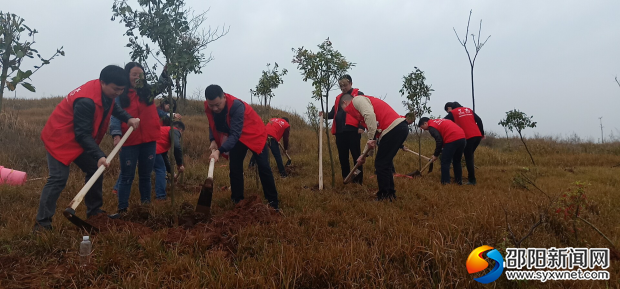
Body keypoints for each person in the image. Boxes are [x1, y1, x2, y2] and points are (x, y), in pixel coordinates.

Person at [34, 65, 140, 231]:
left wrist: (128, 118)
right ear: (103, 82)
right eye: (116, 89)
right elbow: (82, 134)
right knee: (58, 179)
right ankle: (42, 224)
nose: (118, 93)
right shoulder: (86, 101)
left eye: (121, 90)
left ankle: (95, 212)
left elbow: (114, 107)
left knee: (94, 169)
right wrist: (99, 155)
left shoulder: (106, 93)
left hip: (77, 139)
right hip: (59, 139)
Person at [204, 84, 279, 210]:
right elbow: (212, 122)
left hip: (254, 133)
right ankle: (237, 201)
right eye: (212, 105)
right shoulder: (209, 106)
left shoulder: (236, 106)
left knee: (264, 167)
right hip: (237, 137)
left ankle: (273, 202)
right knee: (235, 167)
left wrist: (219, 151)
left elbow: (234, 134)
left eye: (218, 104)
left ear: (224, 97)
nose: (215, 108)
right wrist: (212, 140)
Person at [109, 62, 162, 213]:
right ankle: (122, 209)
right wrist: (116, 135)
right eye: (134, 74)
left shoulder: (148, 91)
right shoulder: (121, 93)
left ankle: (145, 207)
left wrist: (165, 73)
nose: (138, 77)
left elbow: (162, 85)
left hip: (149, 140)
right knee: (127, 175)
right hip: (129, 140)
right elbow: (115, 115)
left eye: (141, 75)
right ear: (128, 76)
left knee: (146, 175)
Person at [340, 94, 409, 201]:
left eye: (344, 109)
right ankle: (390, 194)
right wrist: (364, 155)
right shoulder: (361, 110)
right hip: (397, 129)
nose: (346, 112)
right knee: (385, 163)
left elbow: (370, 116)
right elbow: (373, 132)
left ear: (345, 102)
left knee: (381, 164)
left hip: (393, 128)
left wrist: (371, 138)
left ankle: (384, 195)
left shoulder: (357, 100)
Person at [321, 75, 365, 184]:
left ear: (350, 83)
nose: (343, 88)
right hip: (340, 132)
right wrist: (323, 114)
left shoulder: (358, 95)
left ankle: (358, 180)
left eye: (344, 85)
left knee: (356, 156)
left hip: (353, 131)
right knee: (343, 157)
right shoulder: (338, 98)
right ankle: (346, 178)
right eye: (341, 86)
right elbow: (332, 114)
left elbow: (364, 111)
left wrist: (362, 126)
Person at [444, 102, 484, 185]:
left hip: (468, 137)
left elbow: (443, 122)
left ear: (451, 108)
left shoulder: (453, 112)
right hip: (477, 136)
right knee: (469, 156)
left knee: (467, 157)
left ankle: (472, 180)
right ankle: (465, 178)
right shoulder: (468, 110)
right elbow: (479, 120)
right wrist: (482, 134)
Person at [418, 117, 467, 185]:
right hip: (462, 138)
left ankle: (445, 183)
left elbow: (439, 140)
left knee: (445, 161)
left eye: (422, 127)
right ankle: (459, 182)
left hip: (452, 138)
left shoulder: (431, 126)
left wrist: (435, 155)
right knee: (457, 161)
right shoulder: (438, 121)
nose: (424, 129)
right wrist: (441, 150)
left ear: (425, 123)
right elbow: (443, 136)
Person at [153, 121, 185, 200]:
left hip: (144, 148)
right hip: (152, 150)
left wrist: (172, 173)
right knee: (161, 170)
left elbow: (164, 157)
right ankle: (160, 197)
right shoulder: (175, 130)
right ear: (180, 130)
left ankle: (117, 189)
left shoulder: (164, 131)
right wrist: (179, 164)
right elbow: (177, 147)